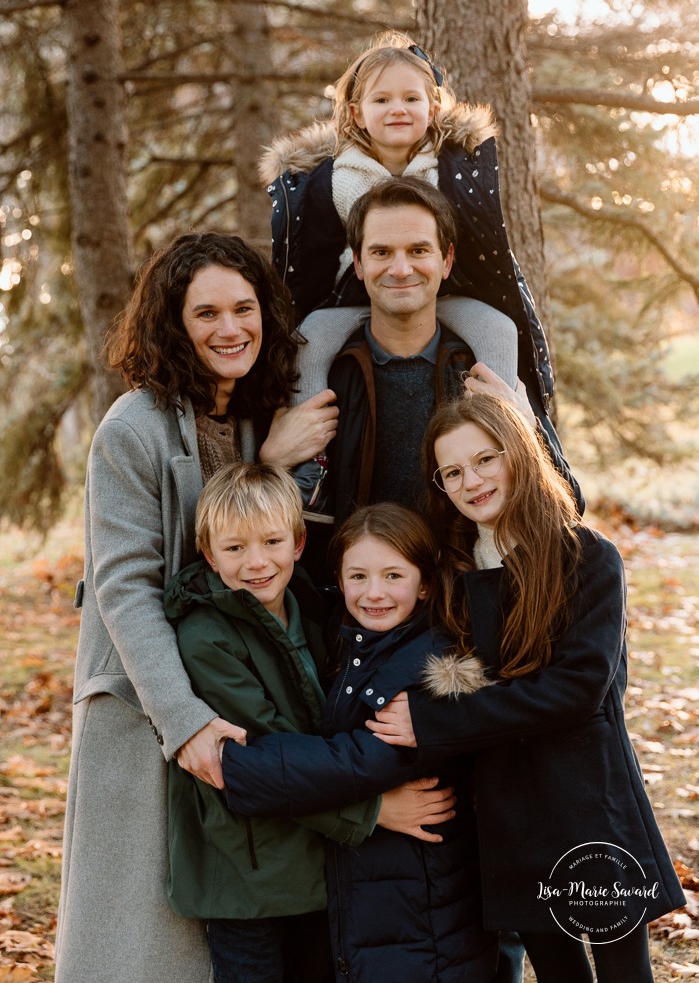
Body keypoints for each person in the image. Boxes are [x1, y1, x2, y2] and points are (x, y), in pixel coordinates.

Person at [55, 233, 341, 983]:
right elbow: (128, 587)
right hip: (153, 702)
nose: (228, 328)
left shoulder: (250, 412)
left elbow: (256, 550)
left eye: (243, 308)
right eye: (205, 312)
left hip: (235, 690)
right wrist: (180, 721)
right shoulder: (132, 428)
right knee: (146, 938)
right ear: (173, 323)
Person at [366, 393, 686, 983]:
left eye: (485, 459)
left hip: (587, 798)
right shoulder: (455, 573)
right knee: (557, 971)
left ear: (519, 453)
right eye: (453, 472)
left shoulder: (587, 557)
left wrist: (438, 723)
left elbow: (576, 689)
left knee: (622, 971)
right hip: (510, 808)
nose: (472, 481)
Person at [260, 32, 552, 509]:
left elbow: (488, 249)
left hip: (444, 291)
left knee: (497, 329)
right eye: (382, 99)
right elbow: (307, 260)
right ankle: (309, 465)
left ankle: (504, 450)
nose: (398, 108)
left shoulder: (450, 170)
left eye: (411, 98)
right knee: (310, 339)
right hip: (352, 297)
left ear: (433, 108)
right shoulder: (335, 177)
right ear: (355, 112)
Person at [220, 502, 499, 983]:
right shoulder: (344, 645)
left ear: (426, 583)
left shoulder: (434, 668)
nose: (374, 593)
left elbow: (361, 762)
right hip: (374, 902)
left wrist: (236, 766)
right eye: (359, 576)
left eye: (394, 576)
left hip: (422, 913)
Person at [298, 174, 581, 580]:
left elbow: (570, 501)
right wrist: (275, 457)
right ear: (358, 264)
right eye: (381, 252)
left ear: (445, 261)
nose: (400, 268)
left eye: (418, 250)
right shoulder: (330, 376)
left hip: (469, 599)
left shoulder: (482, 370)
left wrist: (524, 430)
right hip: (360, 606)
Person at [165, 461, 382, 983]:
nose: (257, 562)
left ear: (299, 543)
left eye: (271, 542)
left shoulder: (309, 609)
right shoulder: (205, 637)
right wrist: (374, 810)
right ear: (210, 555)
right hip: (247, 871)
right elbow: (268, 752)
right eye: (235, 548)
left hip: (315, 861)